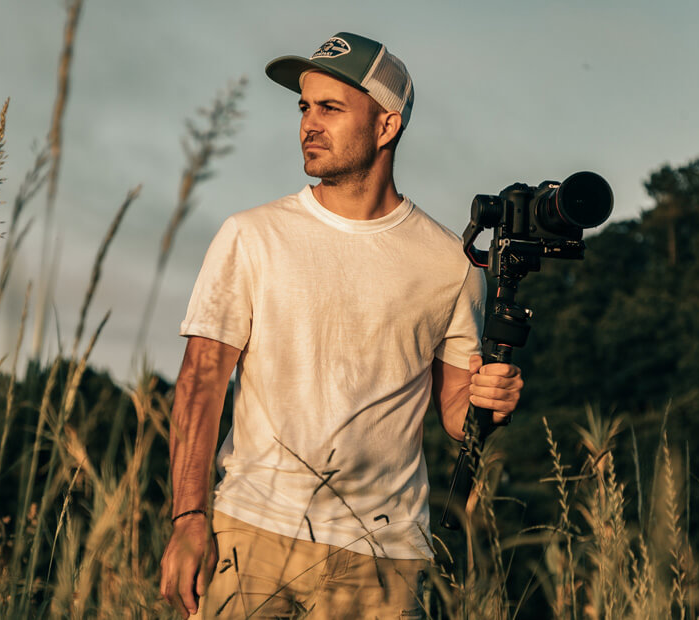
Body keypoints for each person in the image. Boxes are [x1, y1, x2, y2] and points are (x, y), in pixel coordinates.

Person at [159, 32, 523, 618]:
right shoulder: (252, 236)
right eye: (304, 107)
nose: (308, 123)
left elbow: (456, 414)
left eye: (330, 108)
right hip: (253, 532)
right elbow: (201, 381)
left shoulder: (452, 263)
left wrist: (490, 403)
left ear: (387, 126)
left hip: (385, 554)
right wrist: (188, 518)